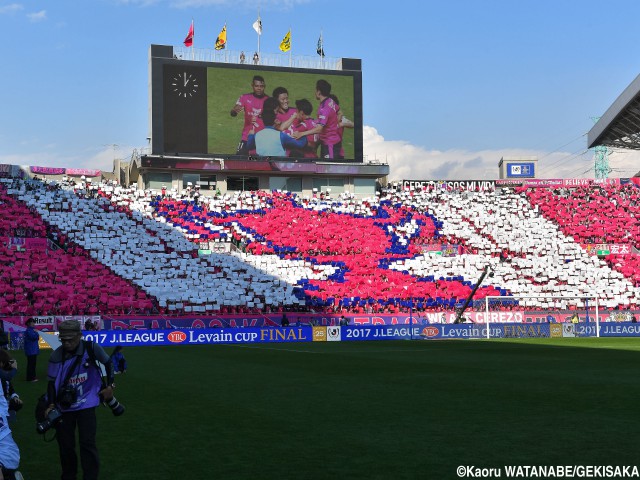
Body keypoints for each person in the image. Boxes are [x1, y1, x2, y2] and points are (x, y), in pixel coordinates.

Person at [46, 320, 115, 480]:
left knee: (87, 443)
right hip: (64, 406)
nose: (67, 343)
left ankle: (90, 476)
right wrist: (50, 404)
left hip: (87, 402)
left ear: (79, 336)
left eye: (71, 339)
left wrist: (110, 385)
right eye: (63, 340)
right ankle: (69, 476)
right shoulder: (56, 355)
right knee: (66, 445)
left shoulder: (91, 348)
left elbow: (108, 363)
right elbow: (51, 383)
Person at [292, 79, 342, 159]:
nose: (315, 92)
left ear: (319, 92)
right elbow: (340, 112)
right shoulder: (330, 101)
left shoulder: (324, 109)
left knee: (329, 168)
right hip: (329, 142)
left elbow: (319, 129)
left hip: (330, 144)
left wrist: (301, 134)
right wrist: (334, 126)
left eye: (316, 90)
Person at [229, 75, 269, 155]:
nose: (259, 88)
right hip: (246, 137)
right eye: (256, 86)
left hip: (262, 138)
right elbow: (233, 113)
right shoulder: (245, 98)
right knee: (238, 160)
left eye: (261, 86)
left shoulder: (268, 100)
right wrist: (234, 111)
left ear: (264, 86)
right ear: (252, 86)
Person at [0, 350, 23, 480]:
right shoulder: (5, 374)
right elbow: (8, 377)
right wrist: (14, 369)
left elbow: (10, 387)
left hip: (4, 413)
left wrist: (15, 397)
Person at [23, 318, 39, 382]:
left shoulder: (31, 330)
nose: (33, 324)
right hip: (31, 350)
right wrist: (37, 333)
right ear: (29, 323)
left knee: (33, 364)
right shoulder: (29, 331)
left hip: (33, 350)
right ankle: (30, 378)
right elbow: (34, 337)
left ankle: (33, 376)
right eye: (32, 322)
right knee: (31, 364)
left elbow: (36, 337)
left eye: (34, 322)